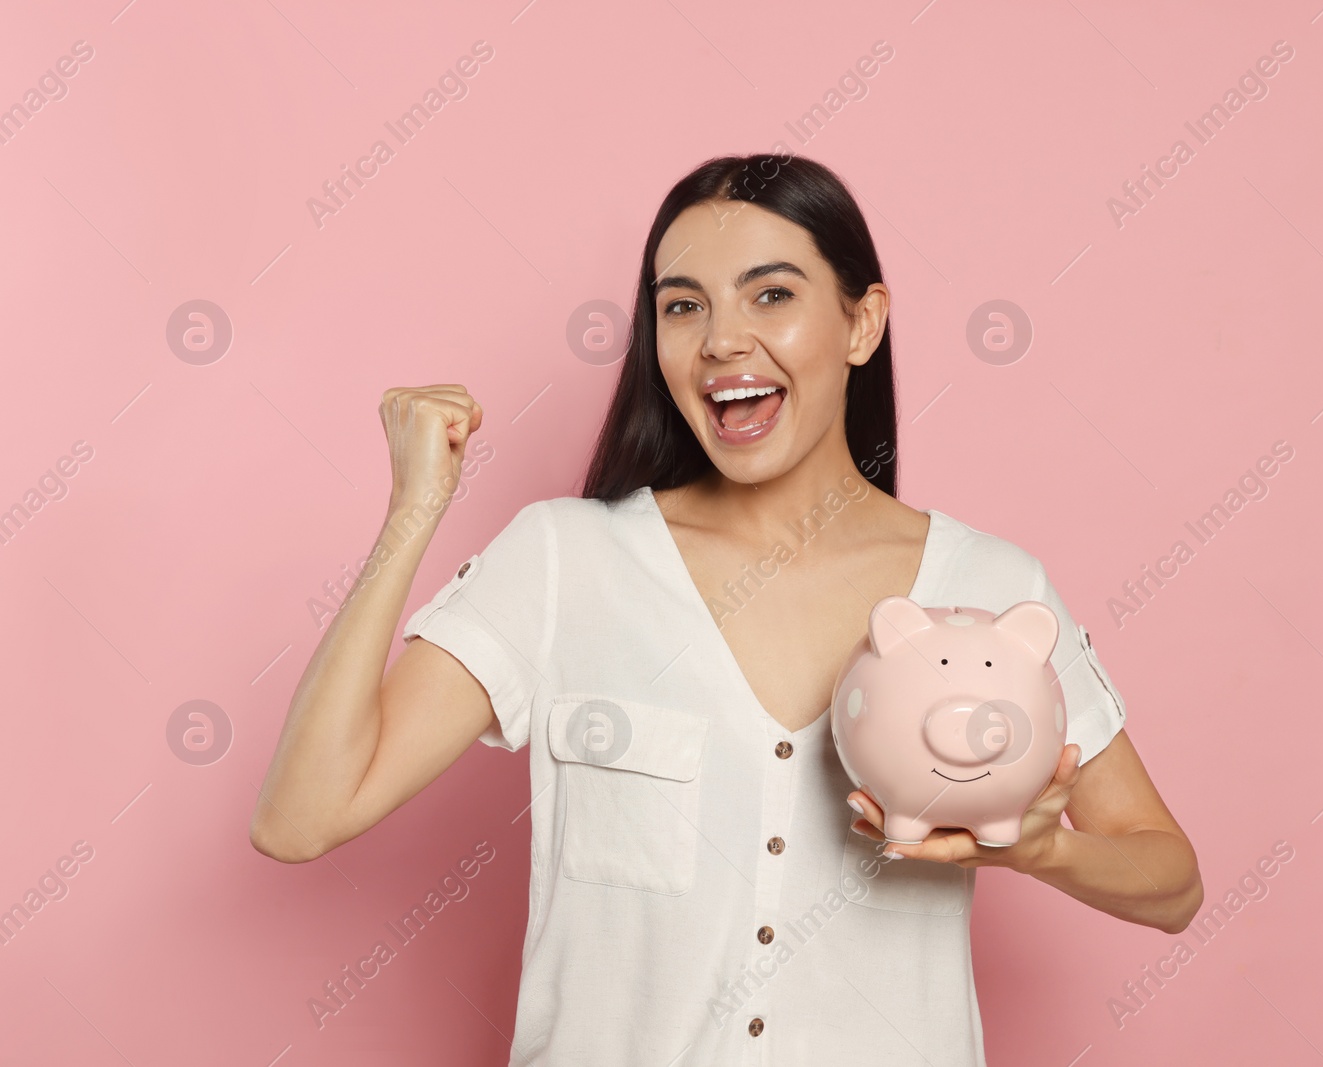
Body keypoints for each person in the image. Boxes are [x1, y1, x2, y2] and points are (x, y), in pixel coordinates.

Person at [250, 153, 1202, 1065]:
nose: (719, 340)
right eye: (681, 306)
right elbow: (301, 818)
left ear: (863, 323)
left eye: (773, 294)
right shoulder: (562, 561)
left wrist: (1043, 851)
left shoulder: (992, 587)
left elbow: (1170, 878)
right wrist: (413, 513)